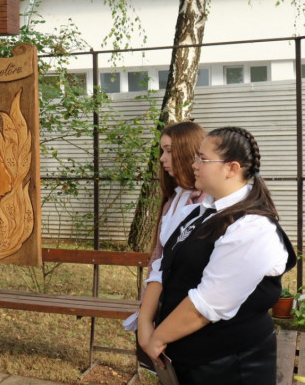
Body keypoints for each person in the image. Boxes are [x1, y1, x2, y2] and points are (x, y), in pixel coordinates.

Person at [139, 126, 296, 384]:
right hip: (189, 363)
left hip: (229, 368)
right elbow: (163, 266)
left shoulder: (253, 227)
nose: (194, 165)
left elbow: (206, 305)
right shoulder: (198, 213)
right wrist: (145, 324)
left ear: (231, 168)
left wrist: (156, 338)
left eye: (202, 158)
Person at [125, 122, 207, 333]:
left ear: (188, 152)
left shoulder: (207, 201)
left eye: (169, 151)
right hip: (163, 301)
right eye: (162, 151)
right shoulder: (173, 198)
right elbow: (158, 259)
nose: (162, 158)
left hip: (189, 310)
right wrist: (146, 312)